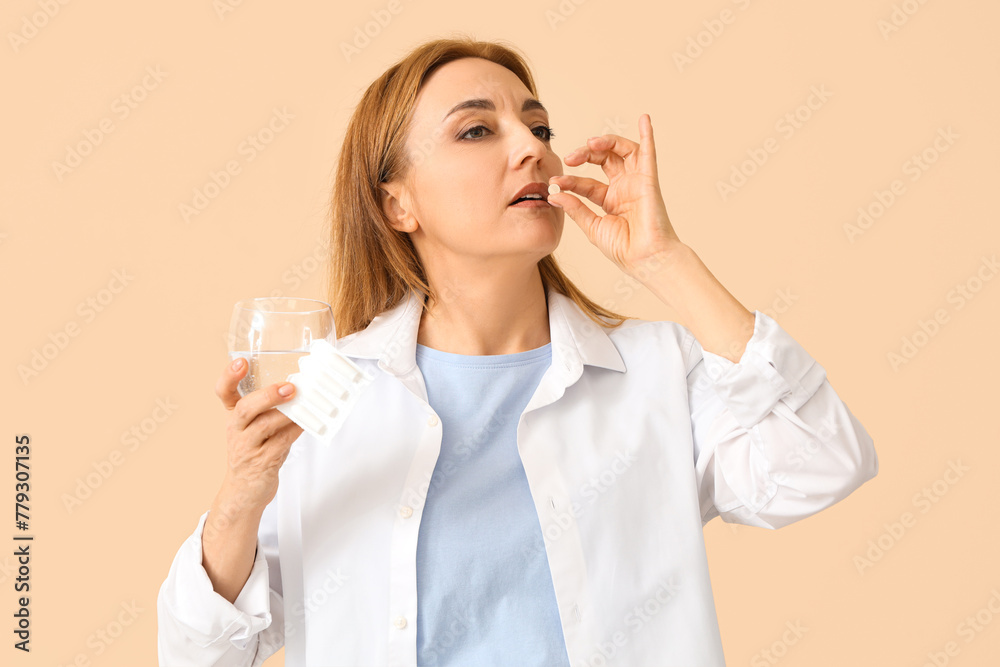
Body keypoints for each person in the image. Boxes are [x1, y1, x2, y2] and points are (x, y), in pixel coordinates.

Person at [157, 36, 878, 667]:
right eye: (477, 130)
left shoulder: (655, 371)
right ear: (396, 205)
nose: (532, 147)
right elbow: (202, 654)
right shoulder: (330, 389)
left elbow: (823, 460)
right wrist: (241, 497)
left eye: (539, 125)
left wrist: (664, 261)